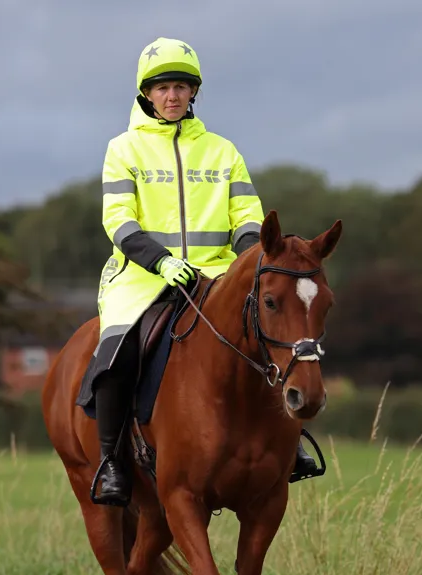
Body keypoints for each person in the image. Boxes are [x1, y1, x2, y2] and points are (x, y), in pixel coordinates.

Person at [84, 37, 318, 506]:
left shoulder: (223, 152)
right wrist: (160, 261)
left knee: (267, 340)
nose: (173, 96)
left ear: (194, 93)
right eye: (164, 87)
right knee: (117, 354)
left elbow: (248, 217)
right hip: (142, 278)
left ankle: (286, 450)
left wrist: (251, 261)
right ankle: (112, 462)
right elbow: (119, 220)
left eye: (182, 87)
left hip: (216, 276)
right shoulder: (122, 149)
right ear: (146, 94)